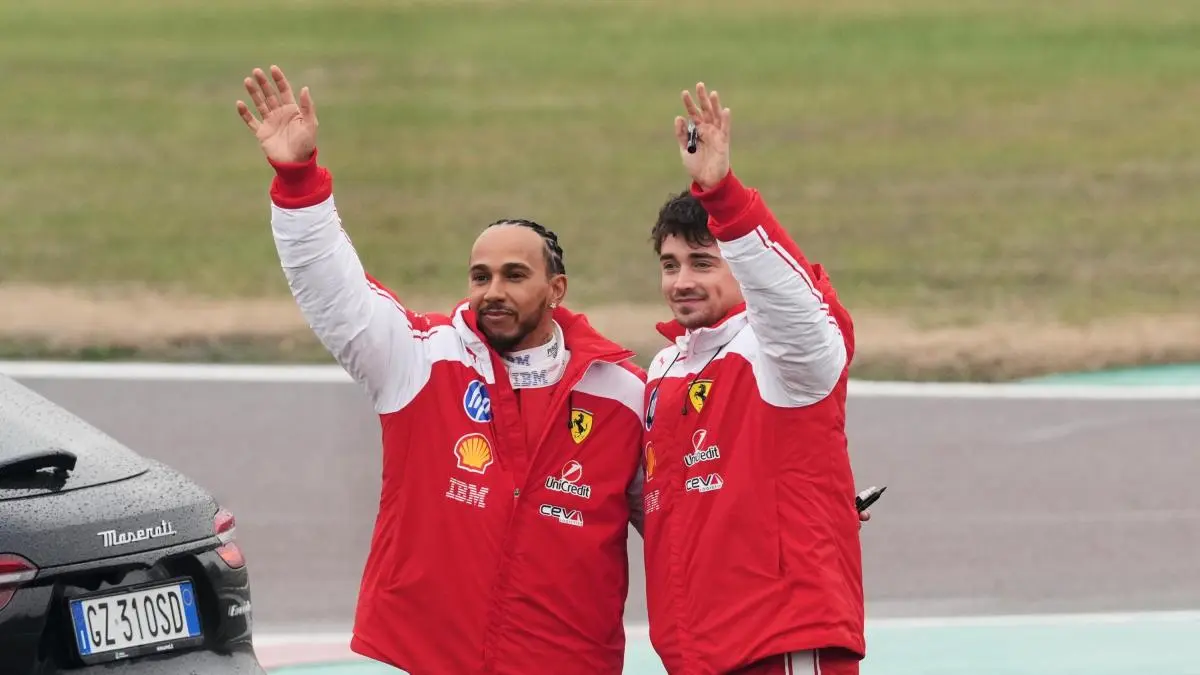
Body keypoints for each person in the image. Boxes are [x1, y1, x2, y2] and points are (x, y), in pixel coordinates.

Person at [235, 65, 647, 675]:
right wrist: (299, 181)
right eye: (481, 276)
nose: (493, 291)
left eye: (514, 275)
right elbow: (336, 294)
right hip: (430, 661)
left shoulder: (623, 395)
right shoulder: (422, 359)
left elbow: (685, 530)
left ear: (556, 289)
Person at [638, 83, 866, 675]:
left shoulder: (779, 352)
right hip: (697, 650)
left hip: (780, 639)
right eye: (670, 265)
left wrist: (722, 195)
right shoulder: (664, 370)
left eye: (703, 263)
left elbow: (790, 303)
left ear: (741, 268)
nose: (682, 281)